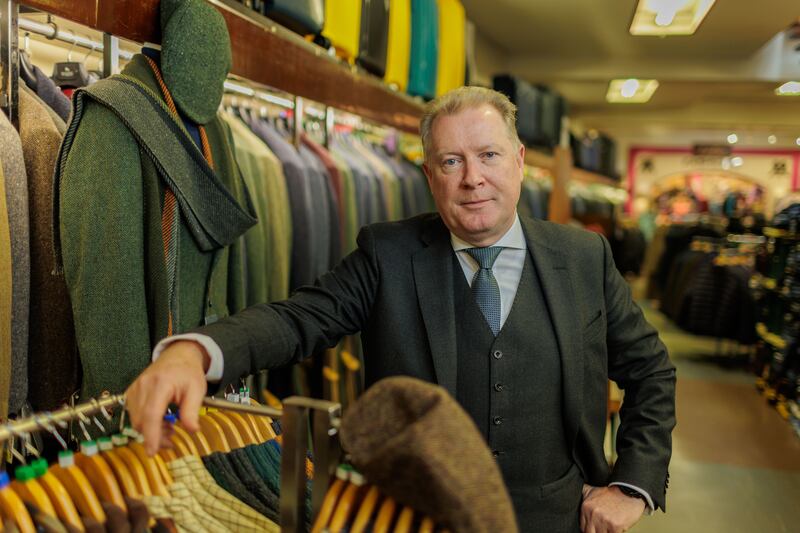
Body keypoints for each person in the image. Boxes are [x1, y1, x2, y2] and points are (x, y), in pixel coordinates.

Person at [125, 86, 675, 533]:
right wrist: (195, 351)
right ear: (429, 173)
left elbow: (650, 371)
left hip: (558, 520)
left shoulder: (582, 258)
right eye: (451, 161)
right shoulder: (389, 255)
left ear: (520, 160)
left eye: (488, 155)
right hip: (412, 519)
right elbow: (299, 319)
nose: (473, 178)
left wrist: (632, 485)